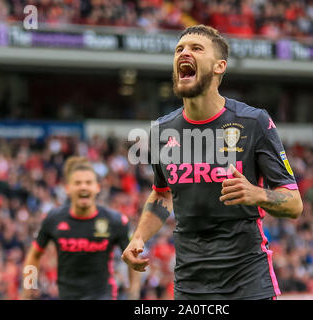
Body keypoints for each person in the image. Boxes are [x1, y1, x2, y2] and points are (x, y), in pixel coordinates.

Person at [122, 25, 303, 300]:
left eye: (196, 48)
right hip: (190, 285)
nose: (184, 53)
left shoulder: (254, 122)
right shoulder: (161, 130)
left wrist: (256, 194)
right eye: (179, 49)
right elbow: (162, 193)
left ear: (220, 66)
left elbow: (293, 204)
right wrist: (139, 238)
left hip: (248, 282)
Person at [22, 156, 141, 300]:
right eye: (78, 183)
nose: (83, 186)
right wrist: (29, 288)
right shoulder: (53, 219)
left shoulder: (115, 221)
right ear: (67, 188)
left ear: (97, 187)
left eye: (88, 182)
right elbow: (34, 255)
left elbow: (133, 258)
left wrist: (133, 294)